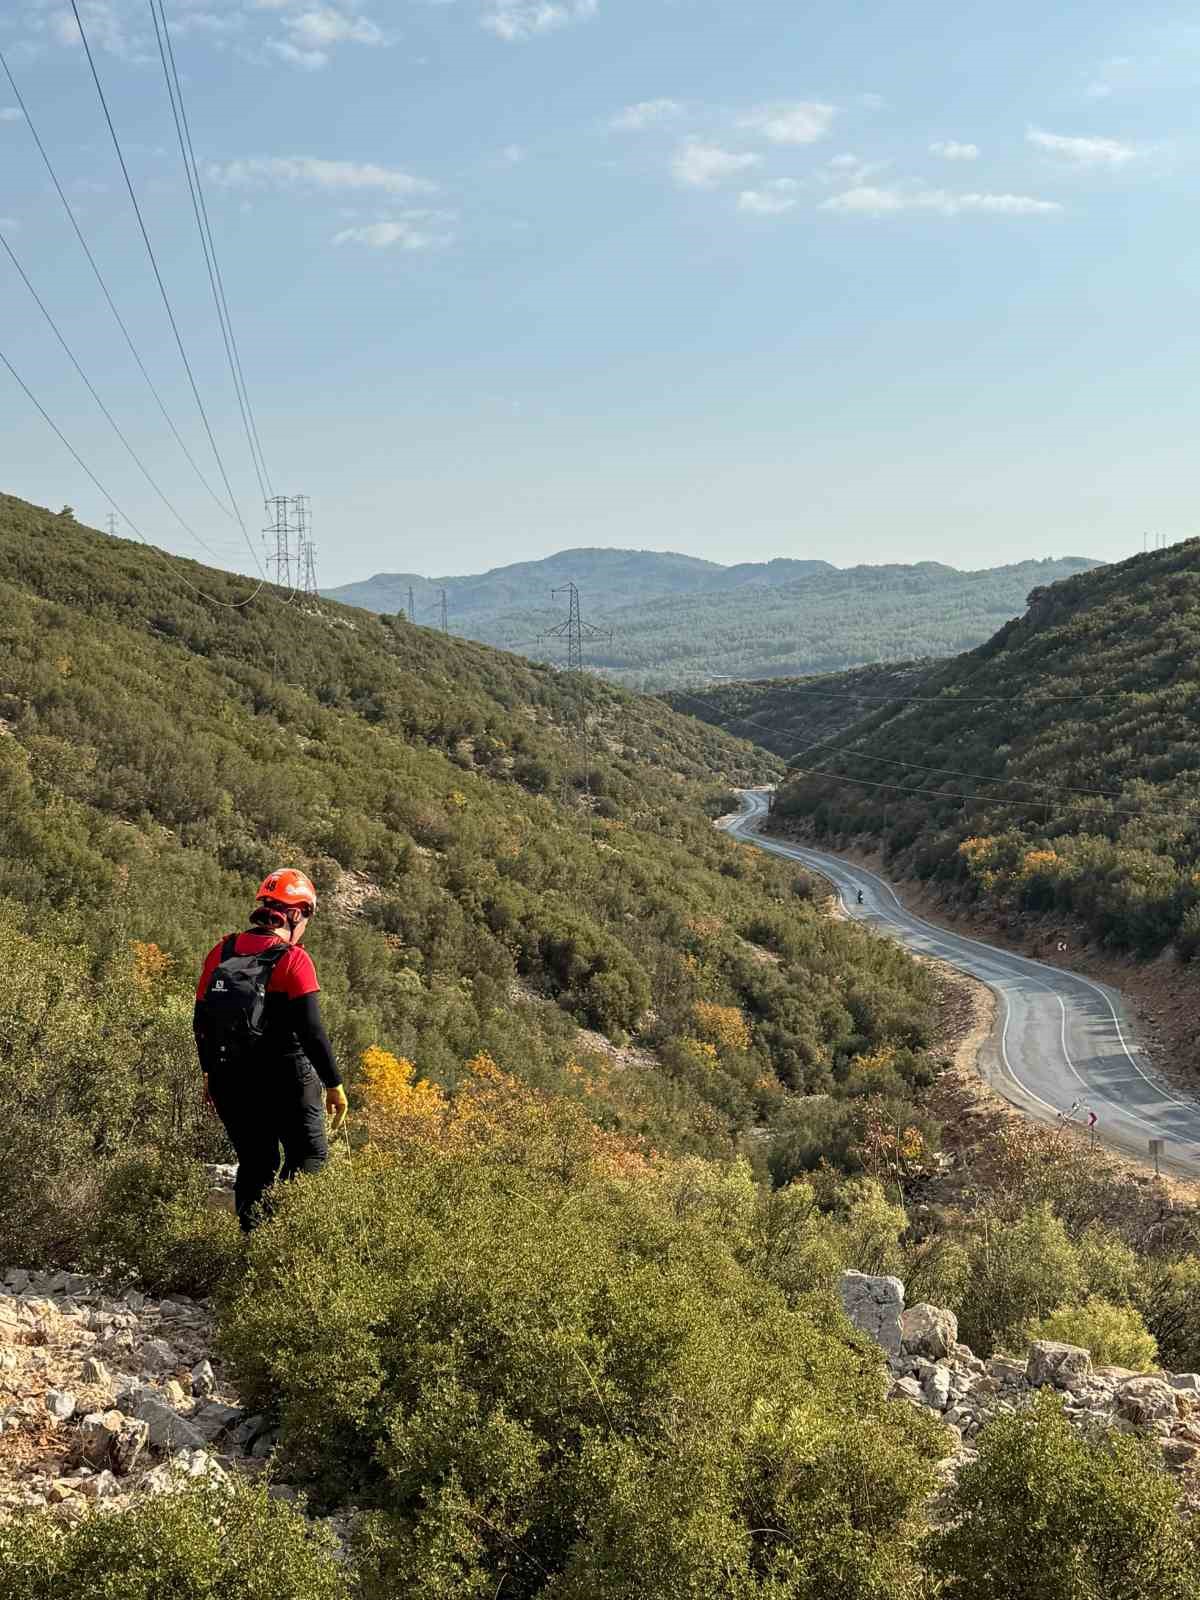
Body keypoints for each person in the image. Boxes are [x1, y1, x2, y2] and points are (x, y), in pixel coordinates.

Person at [194, 869, 348, 1231]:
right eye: (308, 915)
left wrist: (209, 1073)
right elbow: (311, 1031)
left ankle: (252, 1248)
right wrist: (334, 1084)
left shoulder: (222, 951)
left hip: (229, 1079)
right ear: (296, 914)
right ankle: (287, 1249)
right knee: (308, 1157)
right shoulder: (293, 960)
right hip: (287, 1079)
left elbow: (201, 1021)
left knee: (256, 1162)